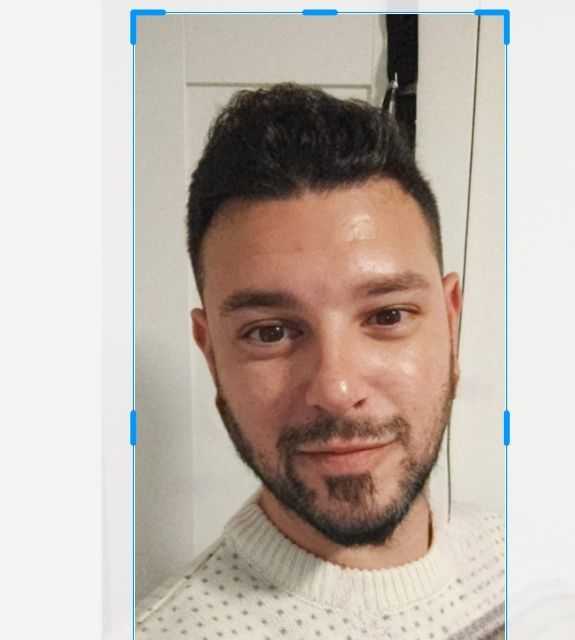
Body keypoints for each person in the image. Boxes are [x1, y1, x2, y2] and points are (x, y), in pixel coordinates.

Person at [136, 83, 505, 640]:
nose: (336, 389)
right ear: (211, 353)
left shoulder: (528, 564)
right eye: (270, 332)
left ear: (450, 324)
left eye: (387, 316)